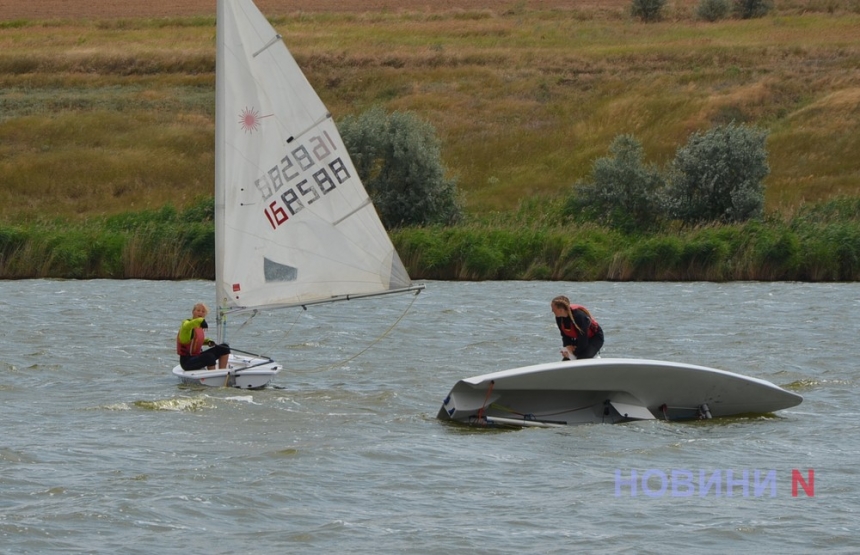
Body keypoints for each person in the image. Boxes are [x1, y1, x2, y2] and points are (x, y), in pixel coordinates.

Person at [176, 302, 231, 371]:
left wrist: (208, 341)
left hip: (197, 356)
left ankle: (222, 372)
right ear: (193, 312)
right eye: (198, 310)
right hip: (187, 362)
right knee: (209, 357)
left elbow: (196, 340)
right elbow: (188, 326)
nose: (200, 313)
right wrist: (201, 320)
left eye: (203, 311)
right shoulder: (186, 324)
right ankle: (213, 377)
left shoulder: (199, 326)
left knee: (224, 347)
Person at [551, 295, 604, 360]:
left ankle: (595, 357)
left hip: (595, 338)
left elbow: (583, 339)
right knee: (566, 359)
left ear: (561, 310)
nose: (552, 310)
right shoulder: (559, 318)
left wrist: (575, 352)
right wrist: (568, 346)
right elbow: (564, 334)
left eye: (553, 308)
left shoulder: (579, 316)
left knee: (581, 357)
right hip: (579, 339)